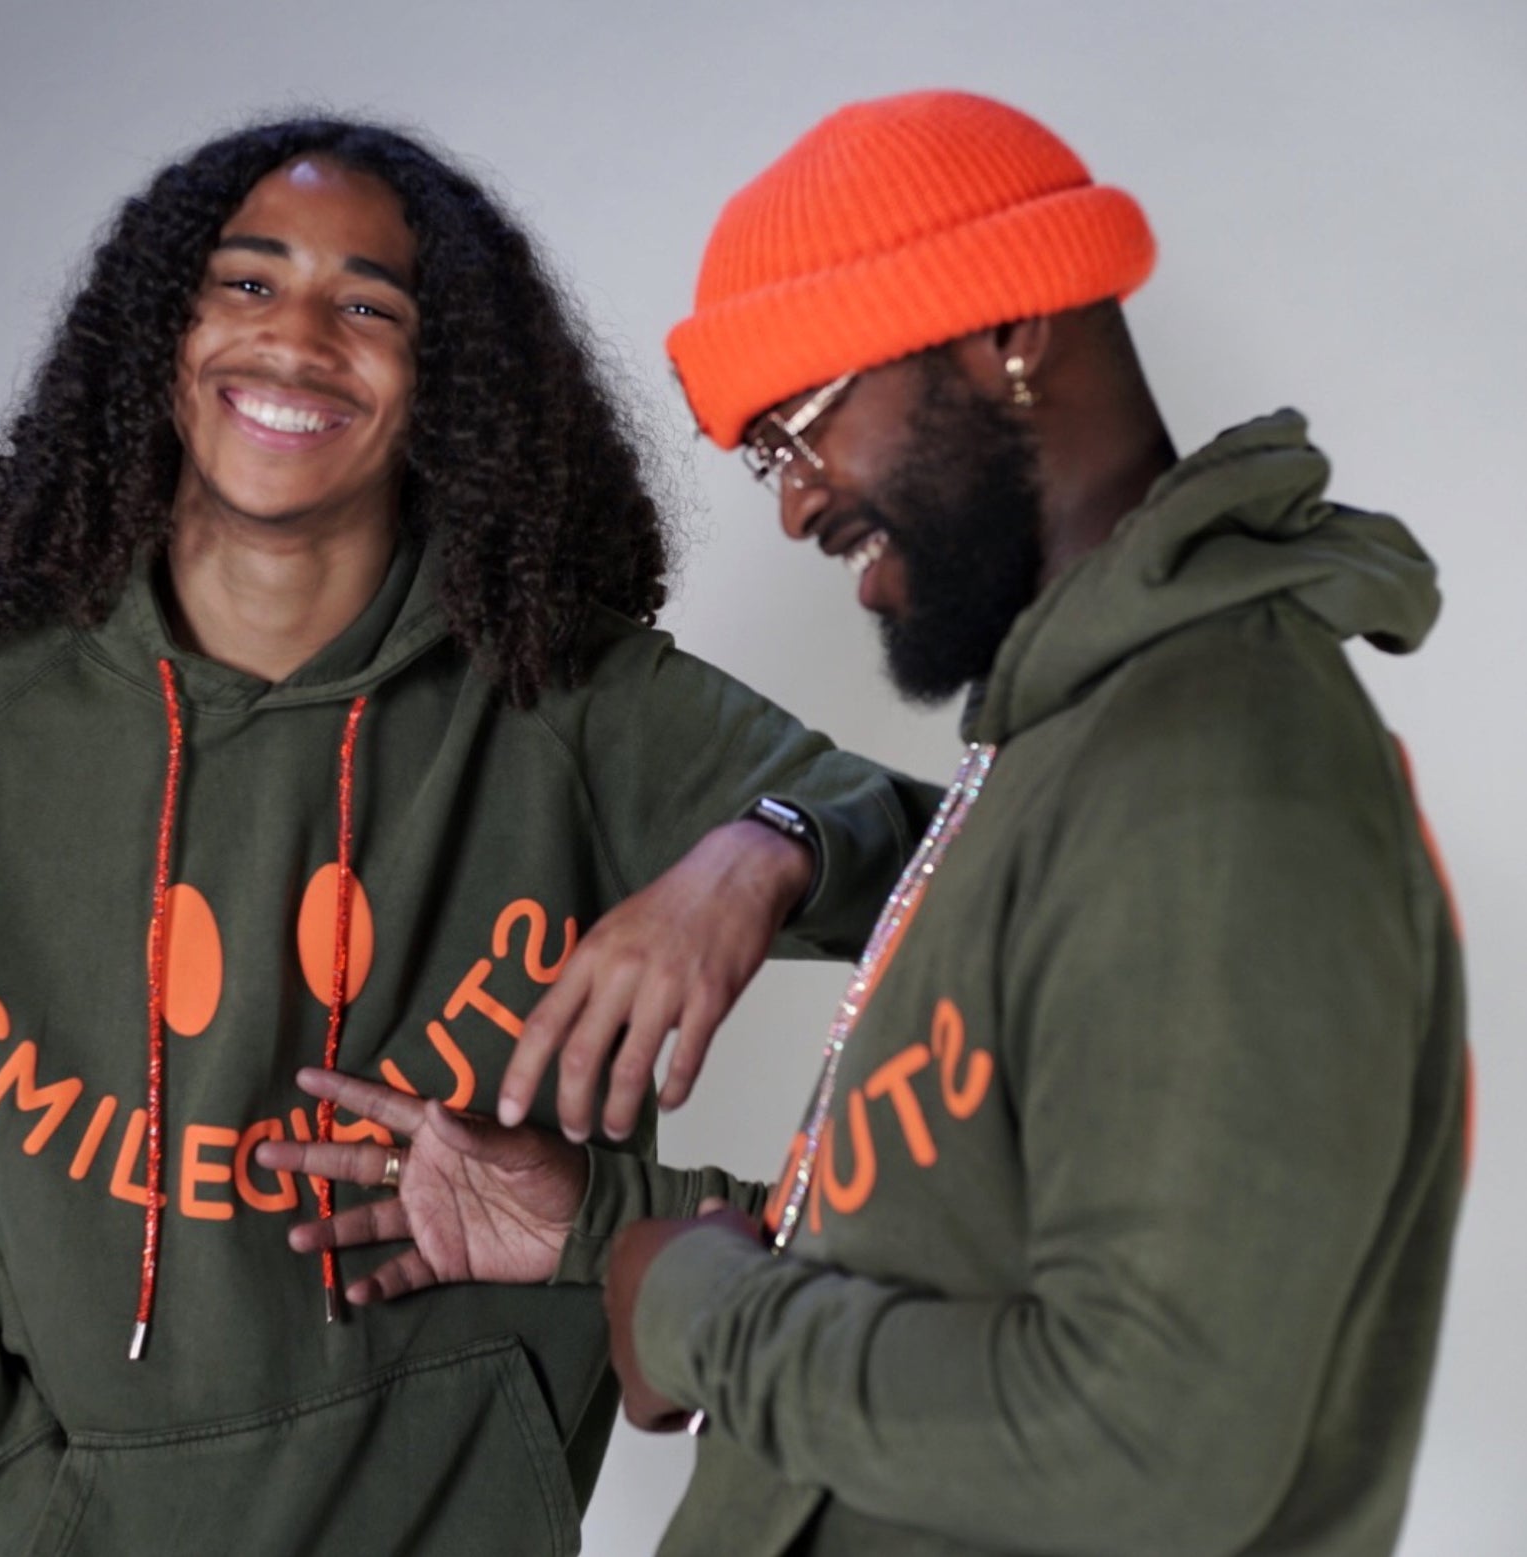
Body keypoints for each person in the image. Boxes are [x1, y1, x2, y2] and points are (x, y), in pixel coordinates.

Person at [283, 91, 1467, 1556]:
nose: (794, 507)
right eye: (762, 458)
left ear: (1007, 329)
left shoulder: (1218, 771)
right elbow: (945, 1238)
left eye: (801, 421)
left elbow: (1145, 1441)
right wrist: (600, 1226)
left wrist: (705, 1321)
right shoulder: (1066, 747)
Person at [0, 117, 936, 1556]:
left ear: (447, 388)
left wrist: (767, 847)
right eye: (246, 284)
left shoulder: (567, 699)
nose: (297, 339)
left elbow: (989, 866)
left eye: (370, 307)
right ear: (162, 335)